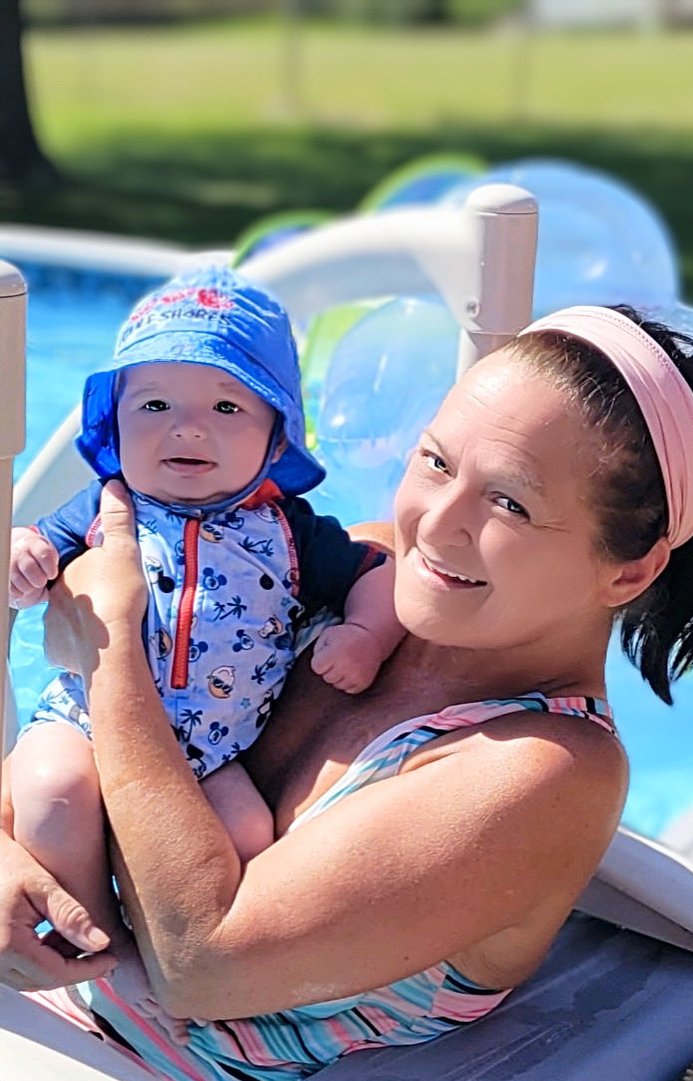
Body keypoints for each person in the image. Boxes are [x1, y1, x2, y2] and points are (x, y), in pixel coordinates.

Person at [2, 303, 693, 1081]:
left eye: (507, 503)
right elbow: (50, 756)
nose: (434, 524)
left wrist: (112, 651)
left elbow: (200, 963)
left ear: (629, 569)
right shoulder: (360, 582)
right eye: (435, 461)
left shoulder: (541, 767)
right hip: (32, 1046)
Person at [7, 265, 403, 938]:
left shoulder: (291, 532)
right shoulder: (105, 509)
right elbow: (29, 556)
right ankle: (91, 940)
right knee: (49, 793)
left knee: (248, 838)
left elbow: (382, 571)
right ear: (115, 426)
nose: (186, 430)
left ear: (276, 436)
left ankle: (157, 943)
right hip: (84, 721)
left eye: (226, 408)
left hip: (213, 751)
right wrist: (22, 556)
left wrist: (366, 635)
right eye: (154, 406)